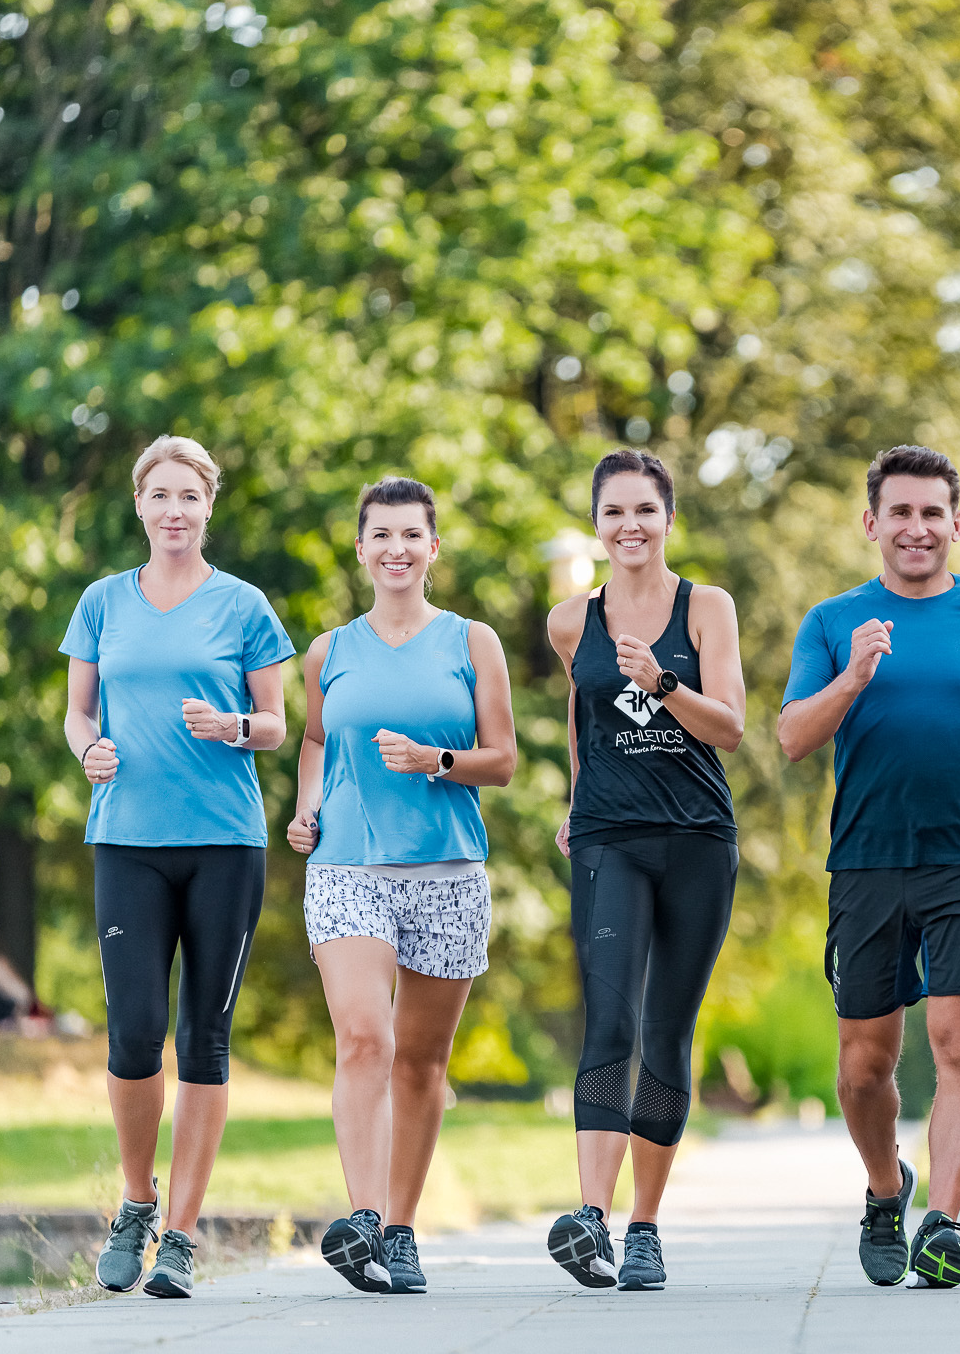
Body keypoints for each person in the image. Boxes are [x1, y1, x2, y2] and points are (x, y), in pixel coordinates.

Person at [779, 445, 960, 1290]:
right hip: (866, 859)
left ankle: (943, 1218)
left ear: (956, 522)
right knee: (865, 1064)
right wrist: (856, 676)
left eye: (932, 512)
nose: (916, 527)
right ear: (872, 523)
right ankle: (883, 1187)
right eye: (899, 512)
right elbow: (793, 737)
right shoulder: (834, 623)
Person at [61, 436, 295, 1298]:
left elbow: (276, 722)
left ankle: (184, 1237)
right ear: (139, 506)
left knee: (204, 1036)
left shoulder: (243, 605)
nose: (173, 510)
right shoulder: (101, 603)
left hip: (225, 843)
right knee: (132, 1032)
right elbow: (77, 713)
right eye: (159, 495)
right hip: (126, 837)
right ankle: (136, 1200)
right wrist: (88, 749)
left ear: (208, 506)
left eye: (188, 497)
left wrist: (231, 725)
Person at [287, 477, 517, 1297]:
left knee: (421, 1062)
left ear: (433, 547)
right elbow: (314, 740)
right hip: (347, 865)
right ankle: (363, 1219)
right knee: (364, 1038)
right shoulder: (329, 651)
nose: (396, 548)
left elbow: (505, 758)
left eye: (412, 534)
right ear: (360, 548)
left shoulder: (471, 641)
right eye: (380, 534)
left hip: (448, 871)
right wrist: (306, 806)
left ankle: (402, 1229)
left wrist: (437, 762)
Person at [542, 451, 747, 1293]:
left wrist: (660, 680)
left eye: (645, 511)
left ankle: (646, 1226)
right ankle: (591, 1214)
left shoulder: (707, 607)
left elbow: (729, 726)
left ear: (669, 519)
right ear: (597, 524)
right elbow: (580, 709)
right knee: (611, 1016)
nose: (630, 526)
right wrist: (577, 795)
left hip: (698, 837)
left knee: (667, 1027)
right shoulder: (569, 620)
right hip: (609, 838)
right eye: (614, 512)